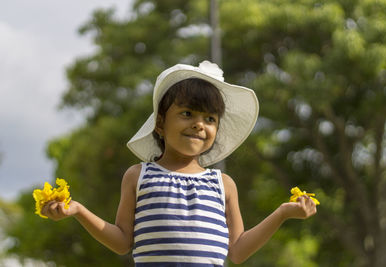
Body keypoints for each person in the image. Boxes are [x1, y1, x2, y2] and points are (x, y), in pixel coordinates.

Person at [42, 61, 317, 266]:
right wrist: (78, 210)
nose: (199, 124)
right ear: (160, 123)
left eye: (210, 119)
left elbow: (237, 250)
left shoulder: (223, 185)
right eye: (187, 114)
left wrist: (282, 213)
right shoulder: (139, 176)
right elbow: (122, 241)